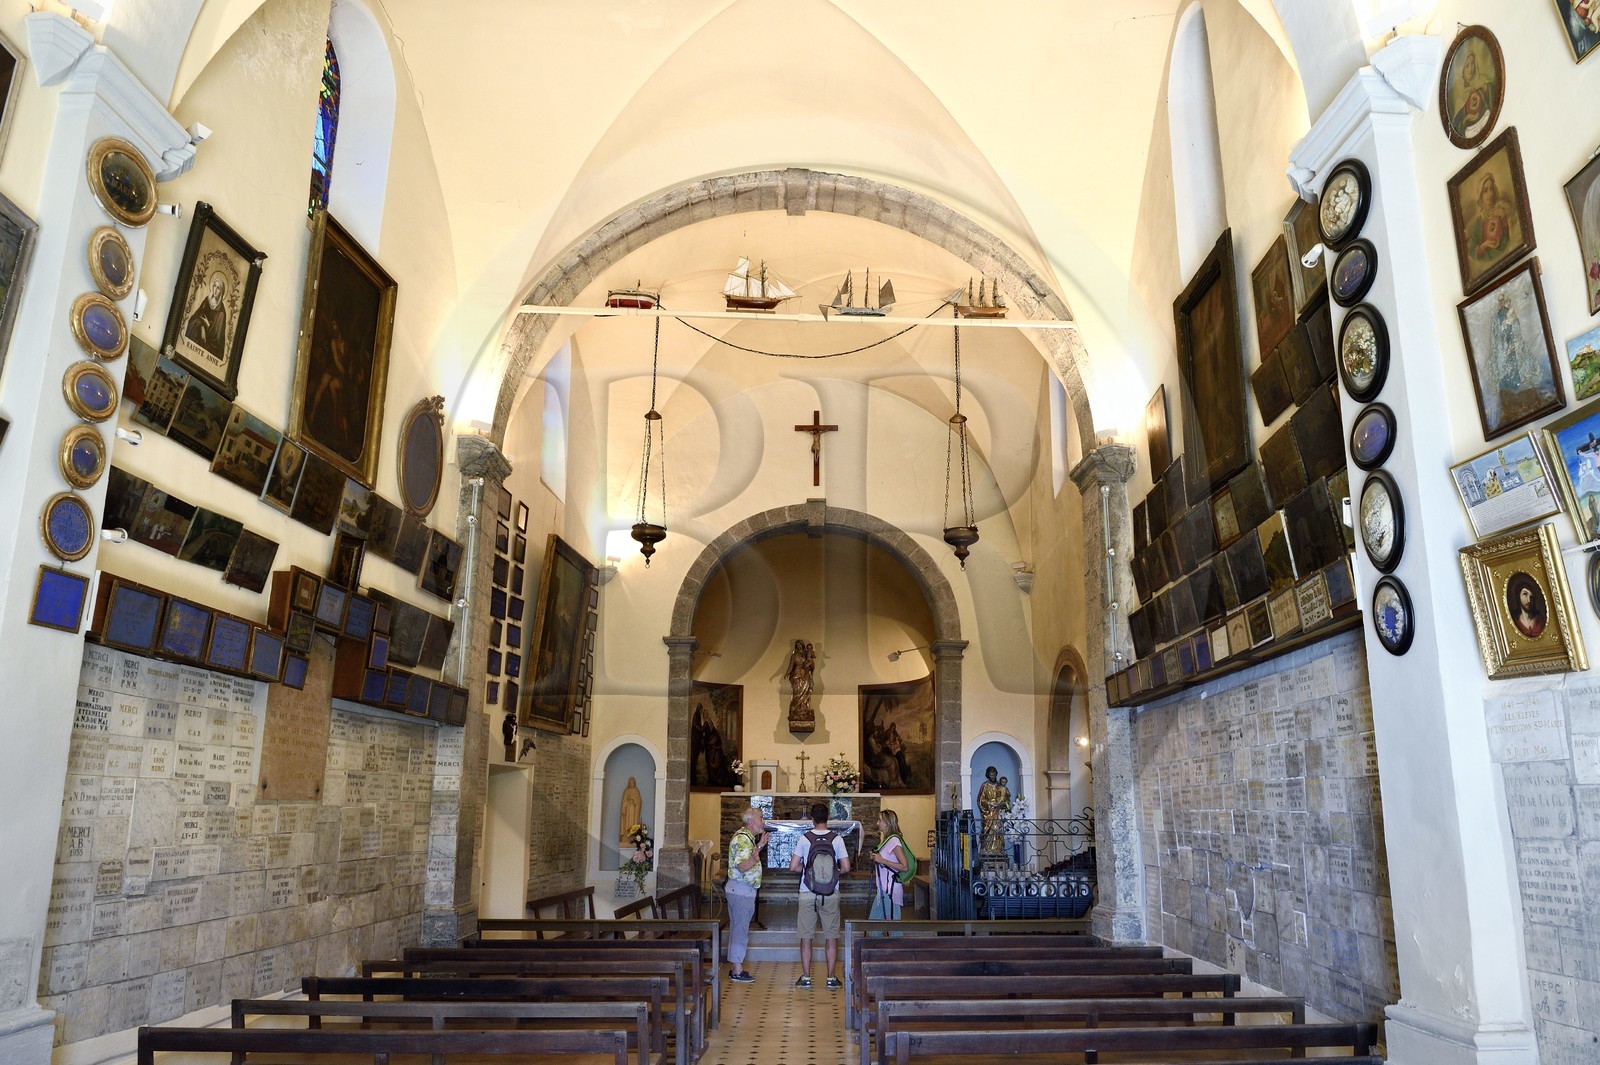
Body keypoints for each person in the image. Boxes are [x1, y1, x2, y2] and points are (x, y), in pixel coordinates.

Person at [789, 800, 850, 989]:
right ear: (827, 818)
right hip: (830, 892)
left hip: (807, 891)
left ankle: (806, 978)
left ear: (812, 819)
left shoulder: (804, 838)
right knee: (831, 937)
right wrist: (833, 873)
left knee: (806, 937)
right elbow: (846, 867)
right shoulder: (837, 839)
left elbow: (793, 866)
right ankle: (831, 978)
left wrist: (807, 871)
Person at [725, 806, 767, 983]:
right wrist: (755, 857)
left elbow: (748, 858)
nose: (763, 821)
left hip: (741, 890)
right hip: (741, 890)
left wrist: (760, 846)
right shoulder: (742, 839)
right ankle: (737, 970)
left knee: (738, 928)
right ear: (750, 821)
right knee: (740, 929)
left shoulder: (747, 838)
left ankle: (735, 966)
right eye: (760, 818)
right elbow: (742, 866)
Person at [867, 809, 908, 921]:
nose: (877, 823)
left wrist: (882, 860)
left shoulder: (894, 841)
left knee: (891, 926)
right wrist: (876, 858)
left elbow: (904, 867)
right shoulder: (887, 840)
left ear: (887, 823)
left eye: (880, 820)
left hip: (891, 891)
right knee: (874, 925)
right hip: (883, 890)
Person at [183, 274, 230, 361]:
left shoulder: (221, 312)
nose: (215, 290)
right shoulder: (207, 300)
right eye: (214, 286)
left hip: (211, 344)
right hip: (198, 335)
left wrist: (208, 326)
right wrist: (201, 325)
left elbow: (217, 338)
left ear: (222, 292)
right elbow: (194, 318)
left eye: (218, 288)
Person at [976, 765, 1010, 856]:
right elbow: (980, 800)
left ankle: (998, 850)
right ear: (988, 775)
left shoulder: (1000, 786)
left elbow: (1006, 799)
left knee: (998, 830)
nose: (993, 777)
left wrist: (1002, 804)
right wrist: (989, 804)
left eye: (994, 774)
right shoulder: (985, 786)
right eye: (991, 775)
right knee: (988, 830)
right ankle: (986, 850)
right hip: (989, 813)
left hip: (998, 812)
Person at [1506, 573, 1547, 640]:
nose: (1529, 600)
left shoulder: (1541, 620)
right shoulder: (1513, 621)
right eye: (1525, 594)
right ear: (1518, 596)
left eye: (1531, 597)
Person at [618, 777, 642, 846]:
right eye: (630, 782)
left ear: (634, 783)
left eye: (633, 782)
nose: (631, 783)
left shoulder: (636, 790)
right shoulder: (627, 791)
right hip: (628, 810)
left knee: (632, 823)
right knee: (626, 823)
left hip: (634, 810)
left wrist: (634, 799)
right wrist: (624, 807)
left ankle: (633, 836)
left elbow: (639, 801)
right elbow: (624, 801)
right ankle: (626, 836)